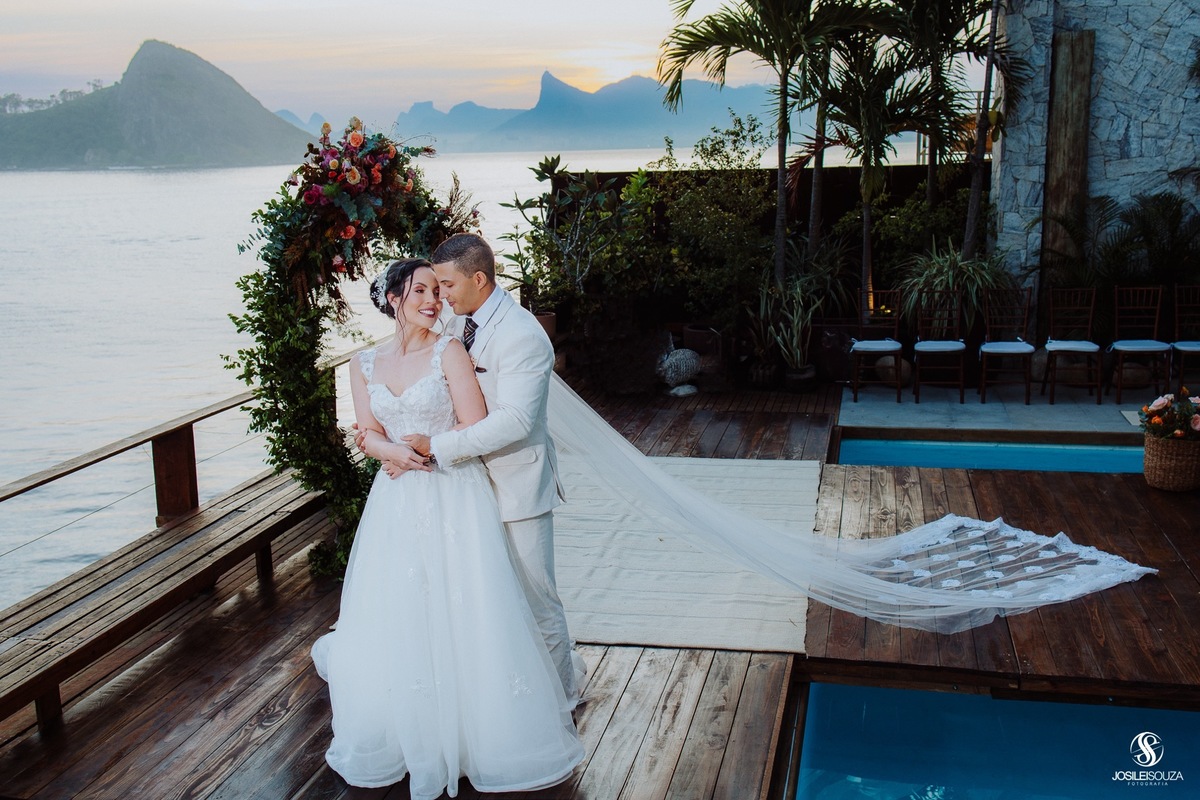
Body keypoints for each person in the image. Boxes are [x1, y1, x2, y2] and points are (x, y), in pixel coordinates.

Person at [311, 258, 583, 798]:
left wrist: (424, 451)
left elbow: (475, 424)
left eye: (439, 289)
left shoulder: (450, 349)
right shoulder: (362, 363)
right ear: (393, 298)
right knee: (403, 604)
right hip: (395, 497)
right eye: (421, 290)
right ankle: (410, 725)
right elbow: (365, 430)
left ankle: (484, 728)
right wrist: (391, 450)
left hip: (453, 492)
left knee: (472, 602)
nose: (434, 300)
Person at [400, 233, 584, 710]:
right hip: (468, 488)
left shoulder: (522, 335)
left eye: (446, 284)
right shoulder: (459, 324)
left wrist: (438, 447)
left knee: (537, 597)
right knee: (489, 597)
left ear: (478, 279)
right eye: (433, 285)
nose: (439, 295)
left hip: (517, 485)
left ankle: (563, 698)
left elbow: (517, 421)